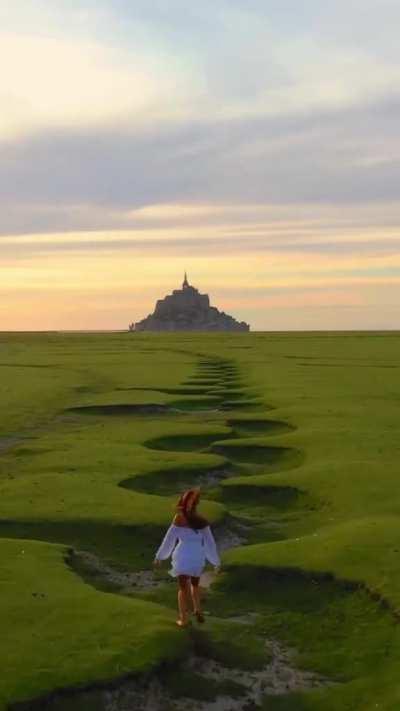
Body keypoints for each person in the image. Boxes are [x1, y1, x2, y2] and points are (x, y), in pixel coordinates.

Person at [154, 488, 220, 627]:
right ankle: (197, 609)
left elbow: (169, 540)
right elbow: (210, 543)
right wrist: (215, 561)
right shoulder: (201, 520)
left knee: (183, 587)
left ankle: (183, 618)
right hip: (196, 555)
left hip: (183, 555)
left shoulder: (179, 519)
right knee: (194, 585)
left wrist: (160, 556)